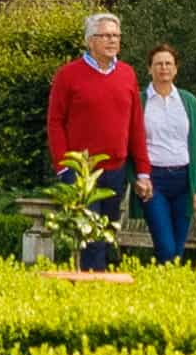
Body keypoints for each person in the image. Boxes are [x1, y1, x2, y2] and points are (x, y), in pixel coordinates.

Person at [44, 13, 143, 220]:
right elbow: (55, 122)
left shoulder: (127, 74)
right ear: (91, 41)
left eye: (116, 35)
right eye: (106, 35)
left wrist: (143, 170)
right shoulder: (68, 75)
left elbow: (136, 124)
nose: (113, 40)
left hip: (116, 170)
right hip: (82, 172)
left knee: (107, 235)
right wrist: (63, 167)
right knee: (90, 240)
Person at [136, 38, 196, 264]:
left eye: (168, 63)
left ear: (176, 69)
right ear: (149, 69)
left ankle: (169, 289)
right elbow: (132, 143)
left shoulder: (188, 101)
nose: (164, 68)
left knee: (178, 246)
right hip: (154, 181)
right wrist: (137, 177)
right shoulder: (140, 102)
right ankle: (165, 285)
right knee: (165, 245)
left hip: (184, 181)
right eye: (158, 63)